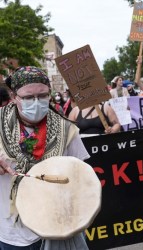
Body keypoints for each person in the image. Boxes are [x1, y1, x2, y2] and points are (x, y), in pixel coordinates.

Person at [0, 66, 91, 249]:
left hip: (58, 227)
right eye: (27, 97)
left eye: (42, 96)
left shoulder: (66, 129)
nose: (36, 102)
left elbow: (82, 177)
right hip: (13, 232)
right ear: (14, 96)